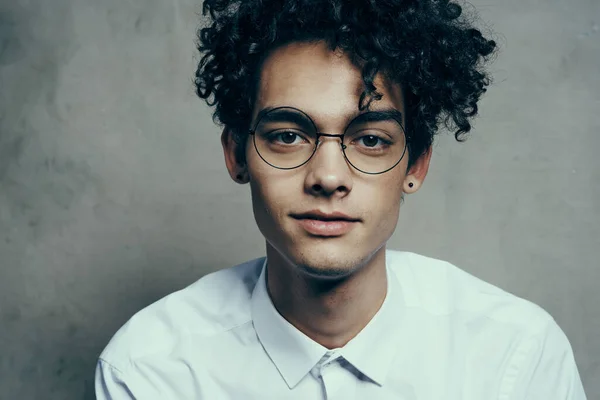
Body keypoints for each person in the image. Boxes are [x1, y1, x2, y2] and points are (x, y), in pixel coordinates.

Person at [95, 0, 587, 398]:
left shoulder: (515, 356)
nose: (328, 177)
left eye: (370, 140)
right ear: (237, 155)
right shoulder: (151, 370)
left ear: (415, 166)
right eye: (288, 135)